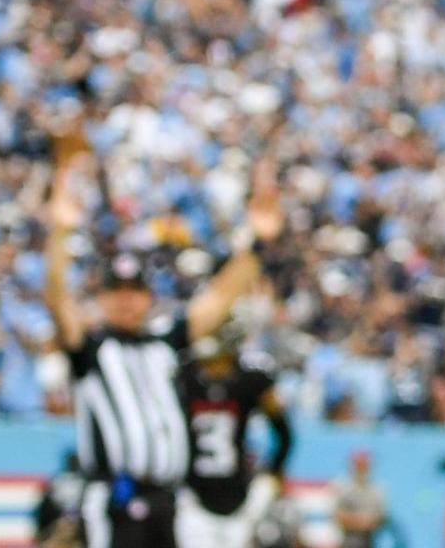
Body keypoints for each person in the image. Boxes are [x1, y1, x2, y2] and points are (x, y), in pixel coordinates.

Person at [42, 146, 283, 548]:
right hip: (115, 497)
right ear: (99, 297)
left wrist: (257, 243)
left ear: (148, 297)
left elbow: (217, 301)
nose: (125, 299)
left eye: (134, 290)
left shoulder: (163, 343)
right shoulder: (92, 347)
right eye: (115, 290)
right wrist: (60, 234)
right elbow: (57, 300)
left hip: (168, 498)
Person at [176, 325, 294, 547]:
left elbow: (284, 432)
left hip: (239, 493)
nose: (213, 370)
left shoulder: (252, 381)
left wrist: (273, 471)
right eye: (208, 363)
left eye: (220, 361)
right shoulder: (183, 377)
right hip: (193, 495)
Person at [333, 451, 387, 548]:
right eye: (358, 465)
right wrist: (361, 521)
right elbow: (337, 516)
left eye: (364, 465)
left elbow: (381, 518)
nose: (361, 468)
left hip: (369, 541)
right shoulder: (343, 487)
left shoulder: (376, 489)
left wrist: (367, 522)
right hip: (347, 540)